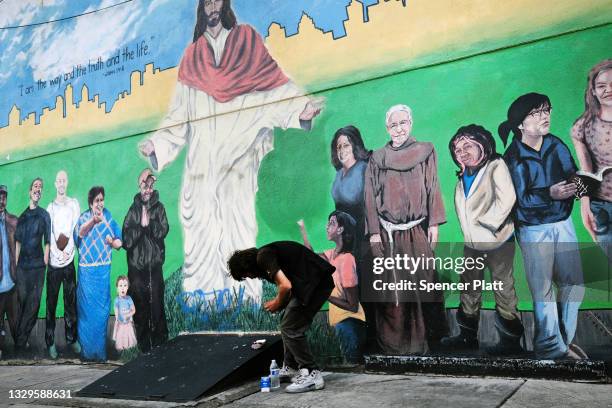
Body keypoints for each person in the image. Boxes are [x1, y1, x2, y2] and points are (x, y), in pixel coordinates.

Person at [139, 0, 323, 304]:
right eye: (207, 1)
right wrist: (157, 144)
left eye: (217, 0)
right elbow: (178, 115)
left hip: (237, 161)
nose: (212, 5)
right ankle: (203, 298)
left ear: (224, 4)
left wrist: (299, 109)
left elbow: (273, 87)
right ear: (201, 8)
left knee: (238, 224)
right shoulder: (192, 57)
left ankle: (243, 295)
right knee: (200, 228)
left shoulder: (247, 41)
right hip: (201, 164)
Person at [500, 93, 586, 360]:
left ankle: (562, 341)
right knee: (543, 289)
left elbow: (571, 170)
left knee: (575, 283)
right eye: (536, 113)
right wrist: (550, 193)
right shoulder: (513, 157)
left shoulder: (554, 144)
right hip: (533, 229)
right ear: (520, 125)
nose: (545, 116)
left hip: (563, 222)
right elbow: (520, 199)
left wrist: (580, 184)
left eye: (546, 110)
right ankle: (550, 348)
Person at [364, 104, 448, 354]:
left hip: (416, 231)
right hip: (388, 233)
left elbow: (433, 185)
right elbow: (370, 196)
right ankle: (397, 346)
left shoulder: (426, 150)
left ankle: (428, 342)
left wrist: (433, 223)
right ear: (386, 128)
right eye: (393, 125)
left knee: (425, 283)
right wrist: (374, 232)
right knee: (394, 290)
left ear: (410, 123)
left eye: (403, 123)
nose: (398, 129)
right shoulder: (377, 158)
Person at [442, 125, 524, 355]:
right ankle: (467, 337)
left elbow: (508, 198)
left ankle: (510, 341)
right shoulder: (462, 177)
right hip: (472, 244)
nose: (462, 152)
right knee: (468, 288)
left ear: (483, 144)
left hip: (498, 241)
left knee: (503, 287)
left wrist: (488, 224)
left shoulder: (495, 165)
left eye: (467, 145)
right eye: (457, 150)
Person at [227, 241, 334, 393]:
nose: (250, 278)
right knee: (287, 322)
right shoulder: (267, 258)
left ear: (247, 266)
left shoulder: (263, 257)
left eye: (246, 275)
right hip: (310, 284)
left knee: (290, 327)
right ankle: (290, 367)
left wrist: (277, 303)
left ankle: (311, 373)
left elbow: (285, 286)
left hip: (315, 284)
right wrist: (281, 304)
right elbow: (289, 287)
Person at [298, 211, 367, 364]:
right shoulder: (331, 256)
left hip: (350, 323)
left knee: (353, 369)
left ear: (341, 230)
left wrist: (325, 294)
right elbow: (310, 257)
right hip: (340, 322)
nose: (327, 227)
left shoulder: (347, 260)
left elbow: (353, 306)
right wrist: (302, 229)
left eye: (331, 223)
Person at [329, 126, 376, 347]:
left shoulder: (364, 169)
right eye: (338, 146)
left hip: (363, 236)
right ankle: (356, 343)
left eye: (346, 144)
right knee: (348, 288)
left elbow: (371, 207)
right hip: (346, 238)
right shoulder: (339, 174)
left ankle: (372, 341)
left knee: (366, 288)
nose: (342, 150)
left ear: (355, 145)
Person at [122, 169, 170, 352]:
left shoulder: (159, 208)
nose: (148, 190)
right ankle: (144, 348)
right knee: (140, 309)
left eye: (151, 186)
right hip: (136, 271)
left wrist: (148, 223)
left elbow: (162, 231)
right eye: (145, 186)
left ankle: (161, 347)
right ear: (139, 186)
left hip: (155, 268)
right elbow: (126, 240)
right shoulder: (132, 210)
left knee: (157, 308)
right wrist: (140, 228)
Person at [75, 186, 122, 361]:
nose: (100, 204)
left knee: (102, 314)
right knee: (87, 314)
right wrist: (94, 221)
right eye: (97, 201)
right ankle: (87, 354)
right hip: (87, 275)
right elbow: (80, 233)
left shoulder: (108, 217)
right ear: (90, 203)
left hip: (102, 272)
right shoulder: (84, 218)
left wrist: (113, 241)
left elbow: (118, 242)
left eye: (102, 200)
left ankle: (100, 355)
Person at [571, 59, 612, 261]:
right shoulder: (582, 126)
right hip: (601, 207)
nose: (608, 90)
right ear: (593, 91)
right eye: (601, 86)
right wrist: (584, 205)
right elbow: (585, 168)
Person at [45, 170, 81, 359]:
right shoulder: (50, 207)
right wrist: (56, 253)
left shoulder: (73, 204)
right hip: (53, 264)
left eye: (64, 180)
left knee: (70, 302)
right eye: (58, 180)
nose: (61, 183)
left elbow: (76, 226)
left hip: (68, 261)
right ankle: (50, 343)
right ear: (55, 183)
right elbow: (49, 233)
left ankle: (72, 338)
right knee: (51, 304)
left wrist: (68, 251)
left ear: (67, 182)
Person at [14, 178, 50, 352]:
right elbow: (18, 243)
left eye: (40, 187)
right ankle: (20, 341)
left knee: (34, 306)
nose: (38, 189)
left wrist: (45, 259)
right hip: (22, 268)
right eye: (35, 186)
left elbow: (48, 241)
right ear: (30, 191)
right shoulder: (22, 217)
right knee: (22, 302)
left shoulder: (44, 215)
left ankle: (20, 341)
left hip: (37, 267)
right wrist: (15, 266)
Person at [0, 185, 19, 359]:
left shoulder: (13, 221)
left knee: (15, 321)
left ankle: (21, 350)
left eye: (4, 197)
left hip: (12, 281)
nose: (1, 200)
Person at [112, 276, 137, 352]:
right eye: (120, 286)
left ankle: (128, 349)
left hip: (128, 323)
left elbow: (133, 310)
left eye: (125, 286)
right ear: (117, 288)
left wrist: (128, 314)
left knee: (128, 337)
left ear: (127, 288)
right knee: (120, 337)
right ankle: (121, 348)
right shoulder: (117, 300)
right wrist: (117, 317)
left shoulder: (129, 298)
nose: (123, 288)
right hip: (120, 323)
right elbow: (116, 309)